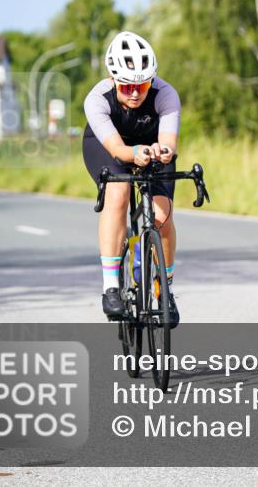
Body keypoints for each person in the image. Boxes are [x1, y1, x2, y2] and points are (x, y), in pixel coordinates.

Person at [81, 31, 181, 326]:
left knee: (161, 215)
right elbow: (118, 150)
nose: (135, 93)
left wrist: (163, 152)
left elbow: (169, 142)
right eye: (127, 87)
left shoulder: (166, 94)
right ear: (113, 79)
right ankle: (111, 287)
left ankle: (165, 288)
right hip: (108, 146)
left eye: (142, 85)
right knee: (119, 191)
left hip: (150, 146)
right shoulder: (97, 100)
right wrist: (134, 152)